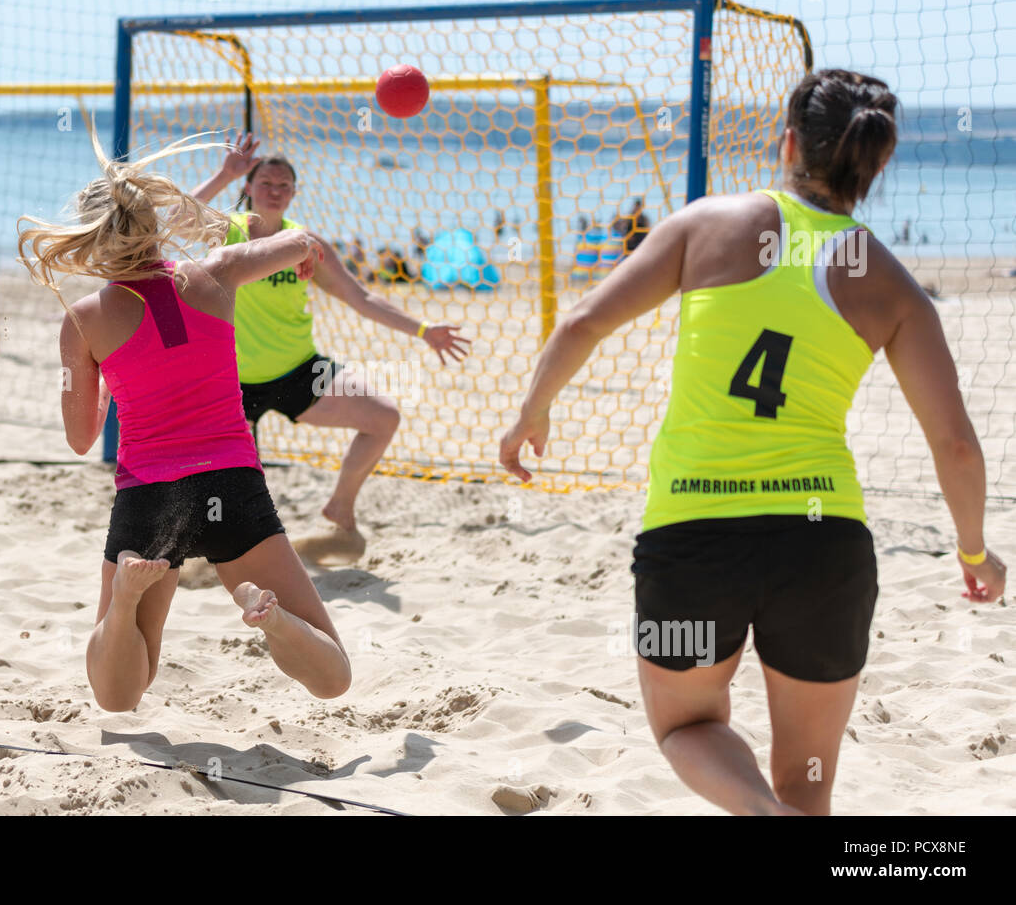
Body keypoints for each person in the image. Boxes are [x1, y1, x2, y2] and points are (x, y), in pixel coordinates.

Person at [500, 69, 1006, 815]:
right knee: (808, 785)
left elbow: (583, 323)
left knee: (685, 726)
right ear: (877, 160)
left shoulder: (707, 224)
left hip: (693, 537)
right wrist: (973, 550)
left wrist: (531, 413)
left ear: (789, 141)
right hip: (824, 548)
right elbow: (956, 445)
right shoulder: (891, 282)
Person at [17, 123, 351, 712]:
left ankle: (124, 602)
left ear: (95, 242)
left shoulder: (85, 319)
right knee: (333, 676)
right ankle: (270, 621)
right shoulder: (216, 273)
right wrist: (308, 250)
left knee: (120, 697)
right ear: (155, 226)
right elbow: (294, 245)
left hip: (150, 498)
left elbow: (79, 438)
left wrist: (111, 382)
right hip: (233, 486)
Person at [191, 132, 471, 561]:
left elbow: (362, 299)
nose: (275, 191)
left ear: (294, 193)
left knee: (383, 417)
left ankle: (340, 506)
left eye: (284, 185)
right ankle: (228, 555)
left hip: (298, 371)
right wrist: (222, 173)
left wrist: (424, 329)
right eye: (265, 182)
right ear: (248, 187)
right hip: (230, 382)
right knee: (239, 494)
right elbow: (173, 217)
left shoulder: (304, 244)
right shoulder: (227, 231)